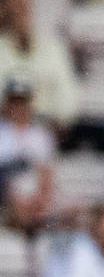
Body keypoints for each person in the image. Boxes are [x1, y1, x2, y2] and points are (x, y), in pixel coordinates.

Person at [0, 0, 77, 134]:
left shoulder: (53, 48)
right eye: (16, 5)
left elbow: (68, 104)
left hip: (46, 131)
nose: (22, 11)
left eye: (25, 4)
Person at [0, 75, 52, 230]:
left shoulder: (40, 134)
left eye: (22, 102)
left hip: (32, 193)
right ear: (7, 103)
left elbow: (46, 172)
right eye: (14, 102)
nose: (18, 107)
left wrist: (41, 198)